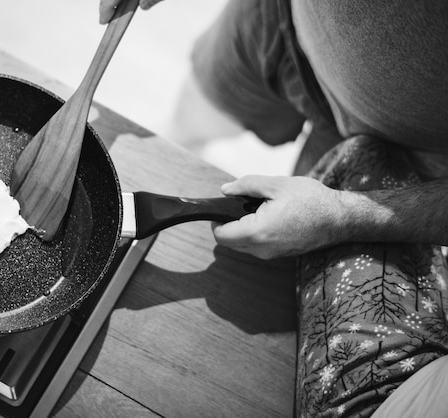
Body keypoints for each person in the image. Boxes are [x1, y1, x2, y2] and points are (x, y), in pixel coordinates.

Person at [100, 0, 448, 416]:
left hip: (411, 156)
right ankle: (184, 149)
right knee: (192, 120)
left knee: (285, 253)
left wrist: (338, 214)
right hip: (280, 16)